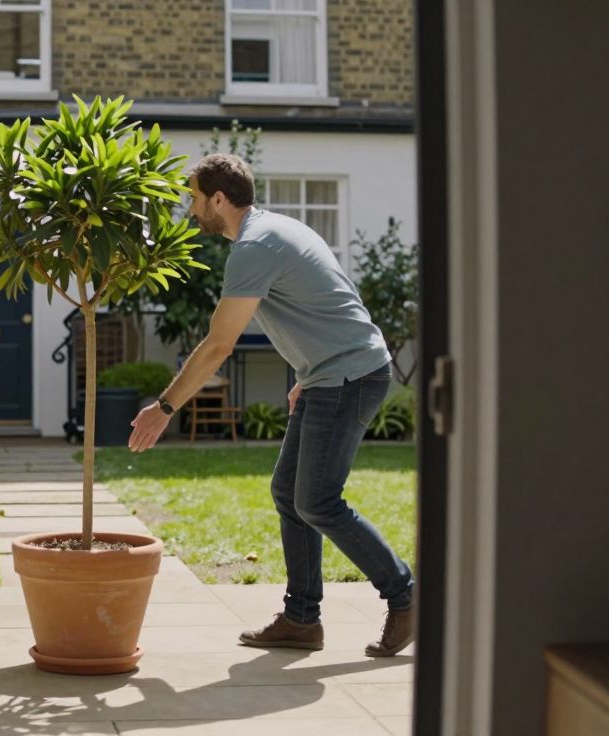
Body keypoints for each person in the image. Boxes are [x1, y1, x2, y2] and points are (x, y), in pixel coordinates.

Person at [127, 153, 415, 657]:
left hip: (349, 377)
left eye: (194, 198)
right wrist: (308, 372)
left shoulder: (254, 246)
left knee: (318, 501)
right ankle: (302, 619)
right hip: (332, 374)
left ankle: (406, 596)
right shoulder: (275, 229)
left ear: (218, 198)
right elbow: (328, 301)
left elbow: (218, 345)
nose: (191, 209)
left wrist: (164, 408)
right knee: (290, 492)